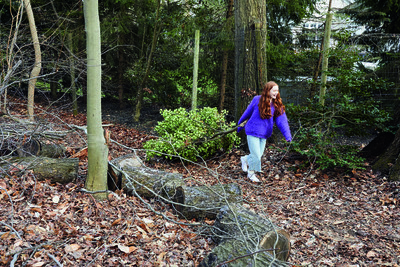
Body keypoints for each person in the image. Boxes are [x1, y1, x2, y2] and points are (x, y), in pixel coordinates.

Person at [237, 81, 292, 182]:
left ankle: (244, 159)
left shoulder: (277, 104)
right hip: (252, 131)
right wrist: (240, 125)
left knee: (258, 155)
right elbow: (247, 113)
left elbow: (282, 121)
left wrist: (287, 135)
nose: (276, 93)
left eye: (277, 91)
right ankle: (251, 174)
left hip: (264, 134)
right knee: (256, 156)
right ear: (268, 91)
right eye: (274, 91)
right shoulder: (257, 100)